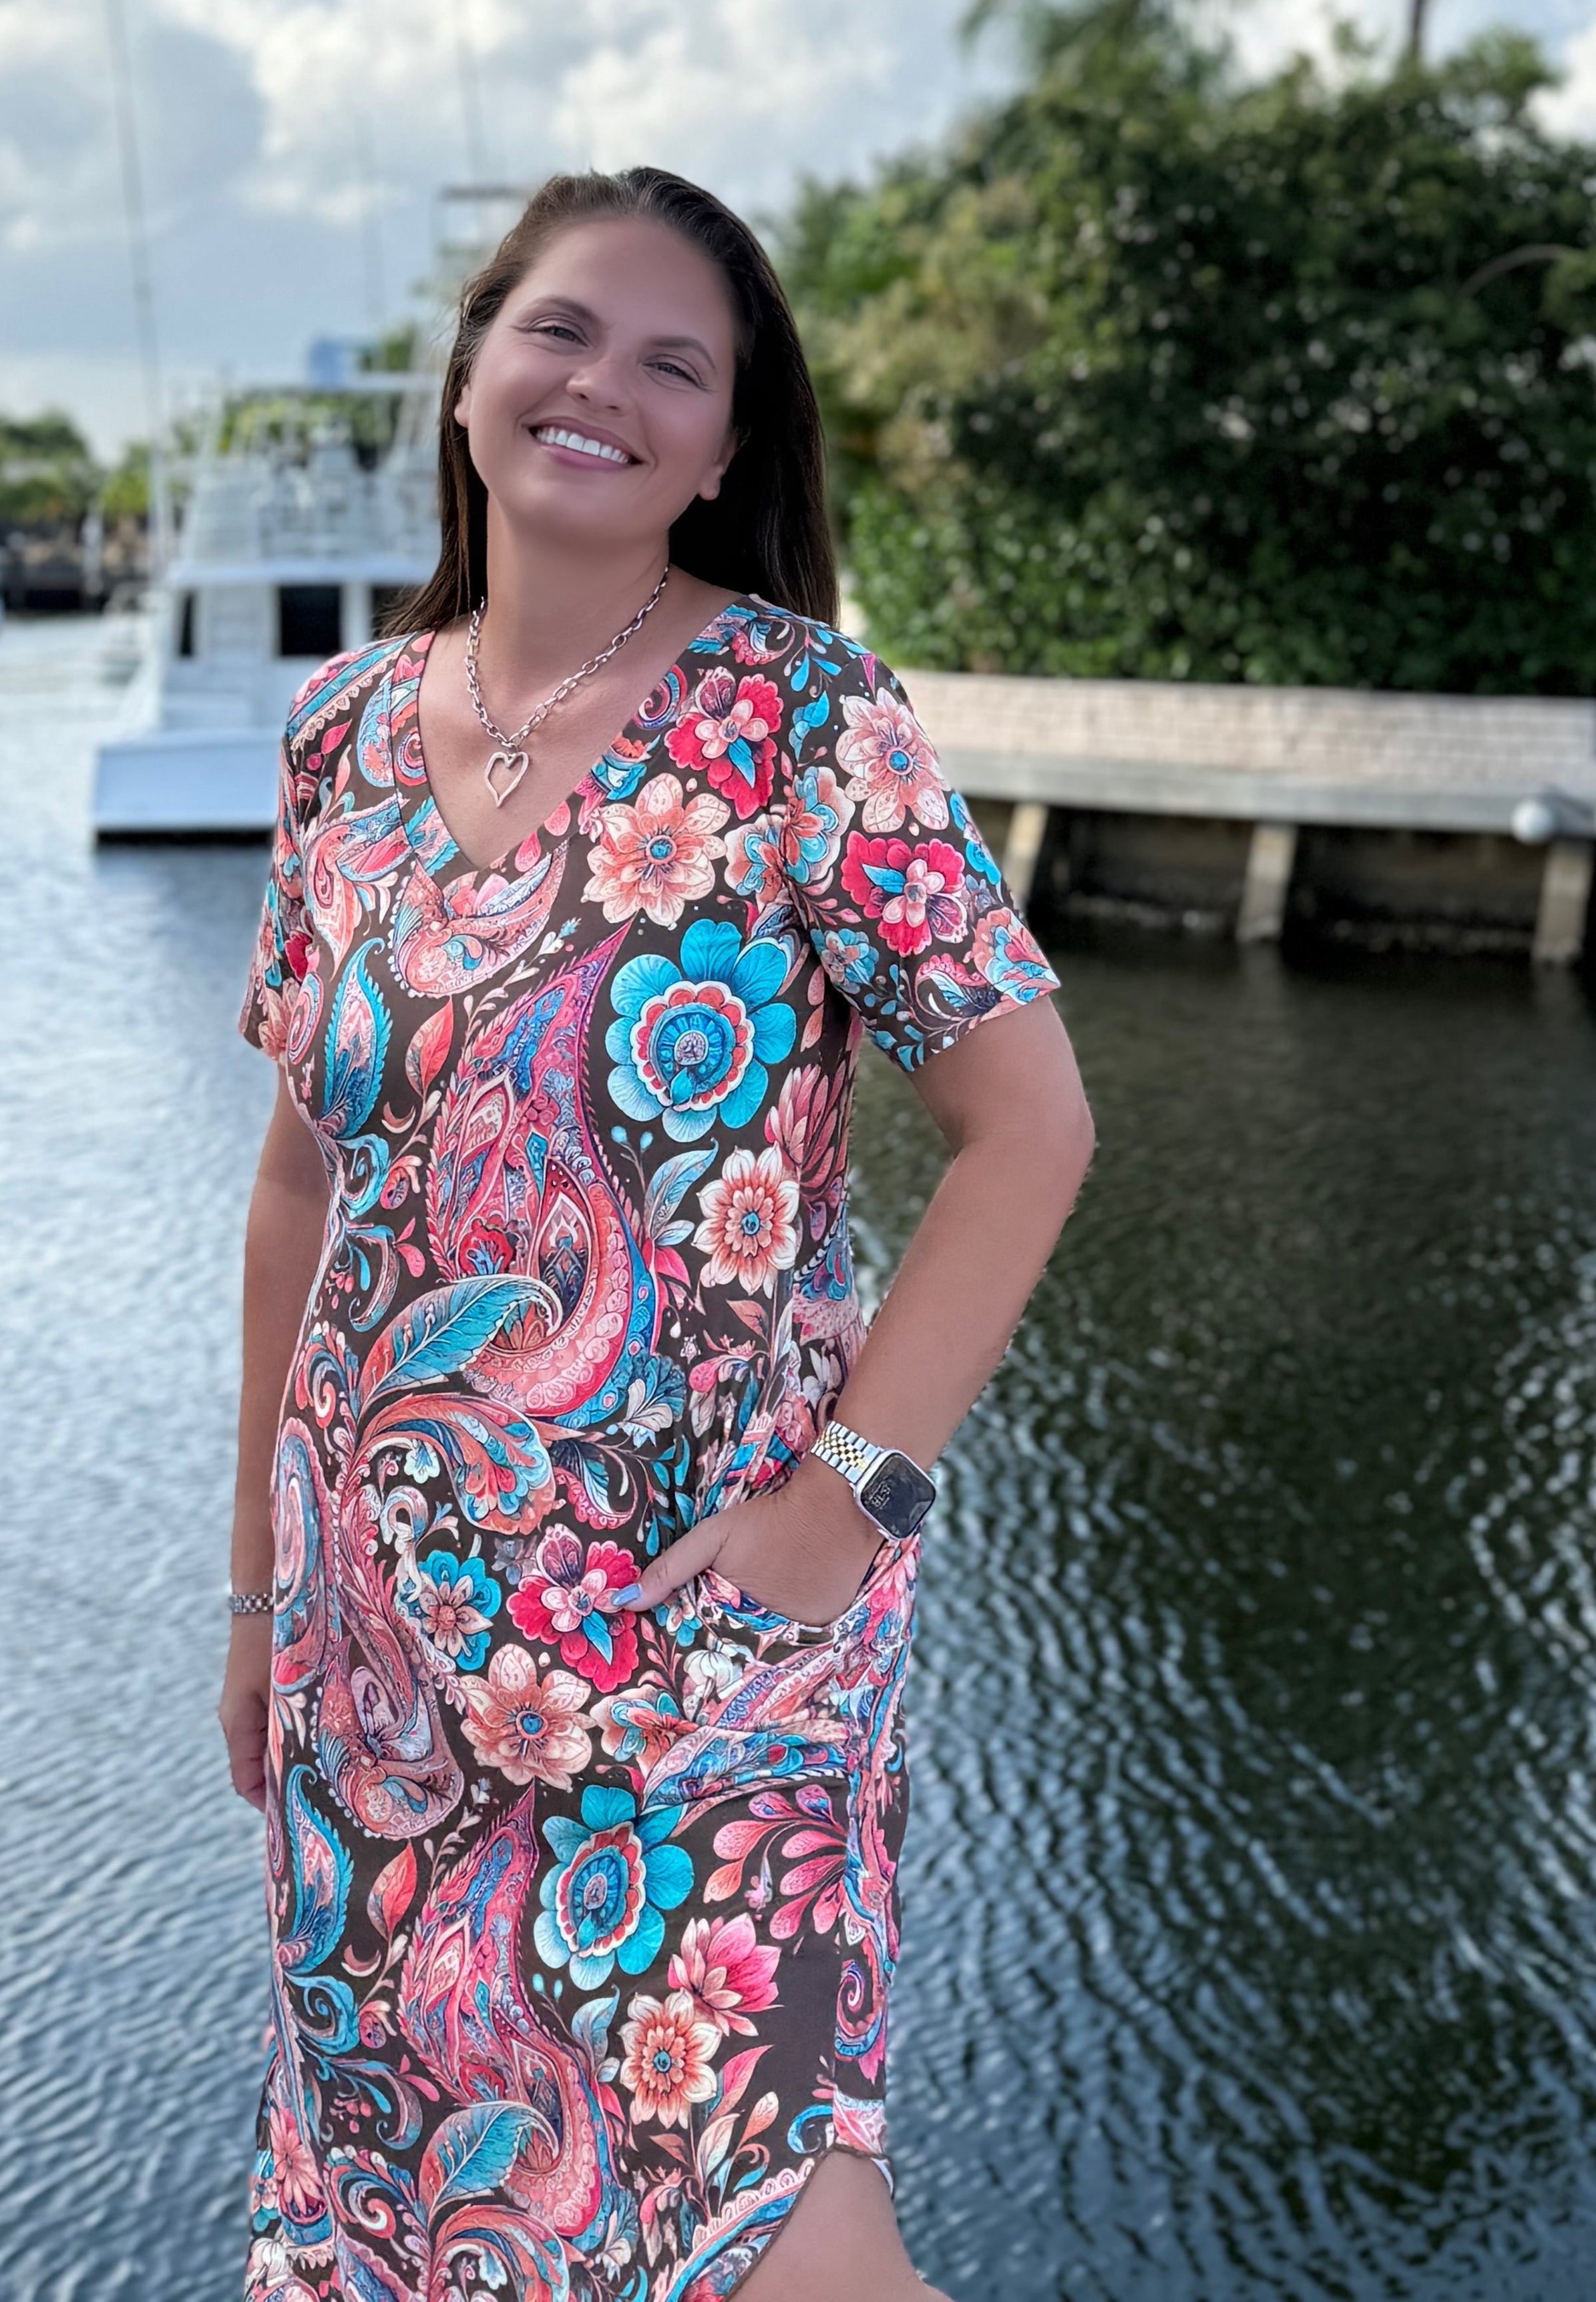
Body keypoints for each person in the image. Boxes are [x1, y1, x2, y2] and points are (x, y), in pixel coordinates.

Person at [217, 166, 1093, 2301]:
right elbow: (294, 1188)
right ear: (470, 374)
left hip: (697, 1618)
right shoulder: (341, 734)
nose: (601, 385)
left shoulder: (806, 723)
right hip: (376, 1651)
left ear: (721, 447)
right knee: (428, 2207)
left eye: (671, 365)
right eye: (561, 332)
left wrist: (849, 1502)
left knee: (777, 2219)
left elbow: (1030, 1127)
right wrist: (250, 1590)